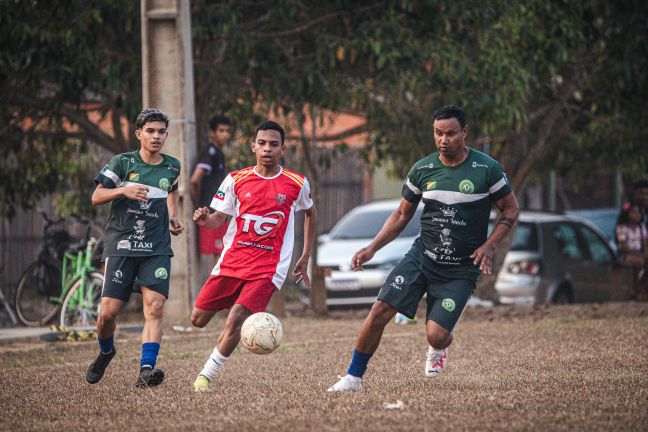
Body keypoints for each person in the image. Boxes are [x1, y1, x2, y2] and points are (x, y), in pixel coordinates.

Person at [328, 105, 519, 392]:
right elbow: (401, 215)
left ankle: (439, 347)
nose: (444, 140)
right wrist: (372, 248)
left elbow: (511, 210)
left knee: (436, 335)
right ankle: (353, 378)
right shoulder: (423, 169)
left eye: (451, 133)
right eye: (438, 133)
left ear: (465, 132)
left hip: (460, 268)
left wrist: (490, 246)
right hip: (422, 257)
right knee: (380, 309)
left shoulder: (486, 169)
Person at [190, 120, 317, 392]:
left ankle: (205, 376)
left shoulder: (296, 183)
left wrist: (305, 254)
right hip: (232, 261)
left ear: (282, 149)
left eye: (273, 144)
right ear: (253, 147)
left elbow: (310, 212)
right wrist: (205, 220)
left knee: (236, 318)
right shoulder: (236, 179)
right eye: (262, 143)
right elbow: (218, 220)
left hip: (268, 268)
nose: (267, 149)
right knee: (197, 319)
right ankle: (239, 304)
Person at [86, 108, 184, 388]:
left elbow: (172, 189)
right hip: (122, 245)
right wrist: (123, 190)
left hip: (156, 247)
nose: (156, 136)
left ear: (166, 134)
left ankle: (146, 370)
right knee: (108, 313)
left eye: (161, 131)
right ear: (139, 134)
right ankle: (106, 350)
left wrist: (172, 215)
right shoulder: (122, 163)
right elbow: (96, 196)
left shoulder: (171, 165)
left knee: (154, 307)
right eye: (150, 131)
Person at [190, 115, 231, 270]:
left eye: (227, 131)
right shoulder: (210, 151)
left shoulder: (219, 153)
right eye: (221, 130)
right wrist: (198, 202)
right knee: (218, 258)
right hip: (211, 212)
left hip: (219, 212)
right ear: (212, 133)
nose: (225, 134)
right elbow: (195, 180)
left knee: (221, 256)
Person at [615, 201, 648, 296]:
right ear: (627, 214)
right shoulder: (621, 228)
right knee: (638, 262)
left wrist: (645, 253)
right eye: (634, 212)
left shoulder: (641, 228)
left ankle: (643, 285)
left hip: (641, 254)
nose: (637, 215)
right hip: (627, 254)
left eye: (638, 212)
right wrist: (639, 254)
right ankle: (636, 286)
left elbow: (645, 244)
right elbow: (623, 246)